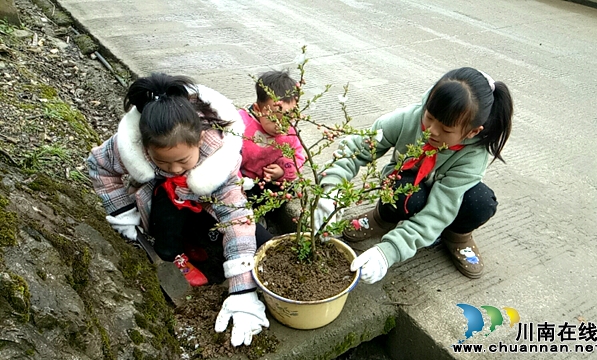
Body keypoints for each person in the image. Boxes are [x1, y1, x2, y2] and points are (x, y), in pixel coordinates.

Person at [87, 73, 270, 346]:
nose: (173, 169)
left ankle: (206, 249)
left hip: (205, 206)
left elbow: (235, 218)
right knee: (168, 211)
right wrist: (124, 214)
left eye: (183, 160)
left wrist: (242, 290)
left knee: (260, 241)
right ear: (146, 147)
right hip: (163, 208)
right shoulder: (130, 145)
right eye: (162, 161)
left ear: (198, 140)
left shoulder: (219, 155)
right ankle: (172, 254)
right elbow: (99, 166)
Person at [315, 67, 513, 284]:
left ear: (472, 131)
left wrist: (389, 250)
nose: (431, 131)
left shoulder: (474, 156)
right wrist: (330, 190)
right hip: (408, 184)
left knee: (480, 202)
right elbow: (355, 150)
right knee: (402, 193)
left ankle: (457, 236)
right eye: (429, 118)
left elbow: (438, 212)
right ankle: (382, 217)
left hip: (448, 199)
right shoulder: (407, 119)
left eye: (446, 130)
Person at [239, 70, 305, 212]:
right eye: (274, 119)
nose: (280, 126)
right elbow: (229, 159)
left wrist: (283, 171)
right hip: (245, 182)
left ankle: (264, 212)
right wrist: (240, 183)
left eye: (288, 118)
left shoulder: (290, 133)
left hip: (270, 181)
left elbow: (298, 157)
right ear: (258, 109)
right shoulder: (242, 127)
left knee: (287, 191)